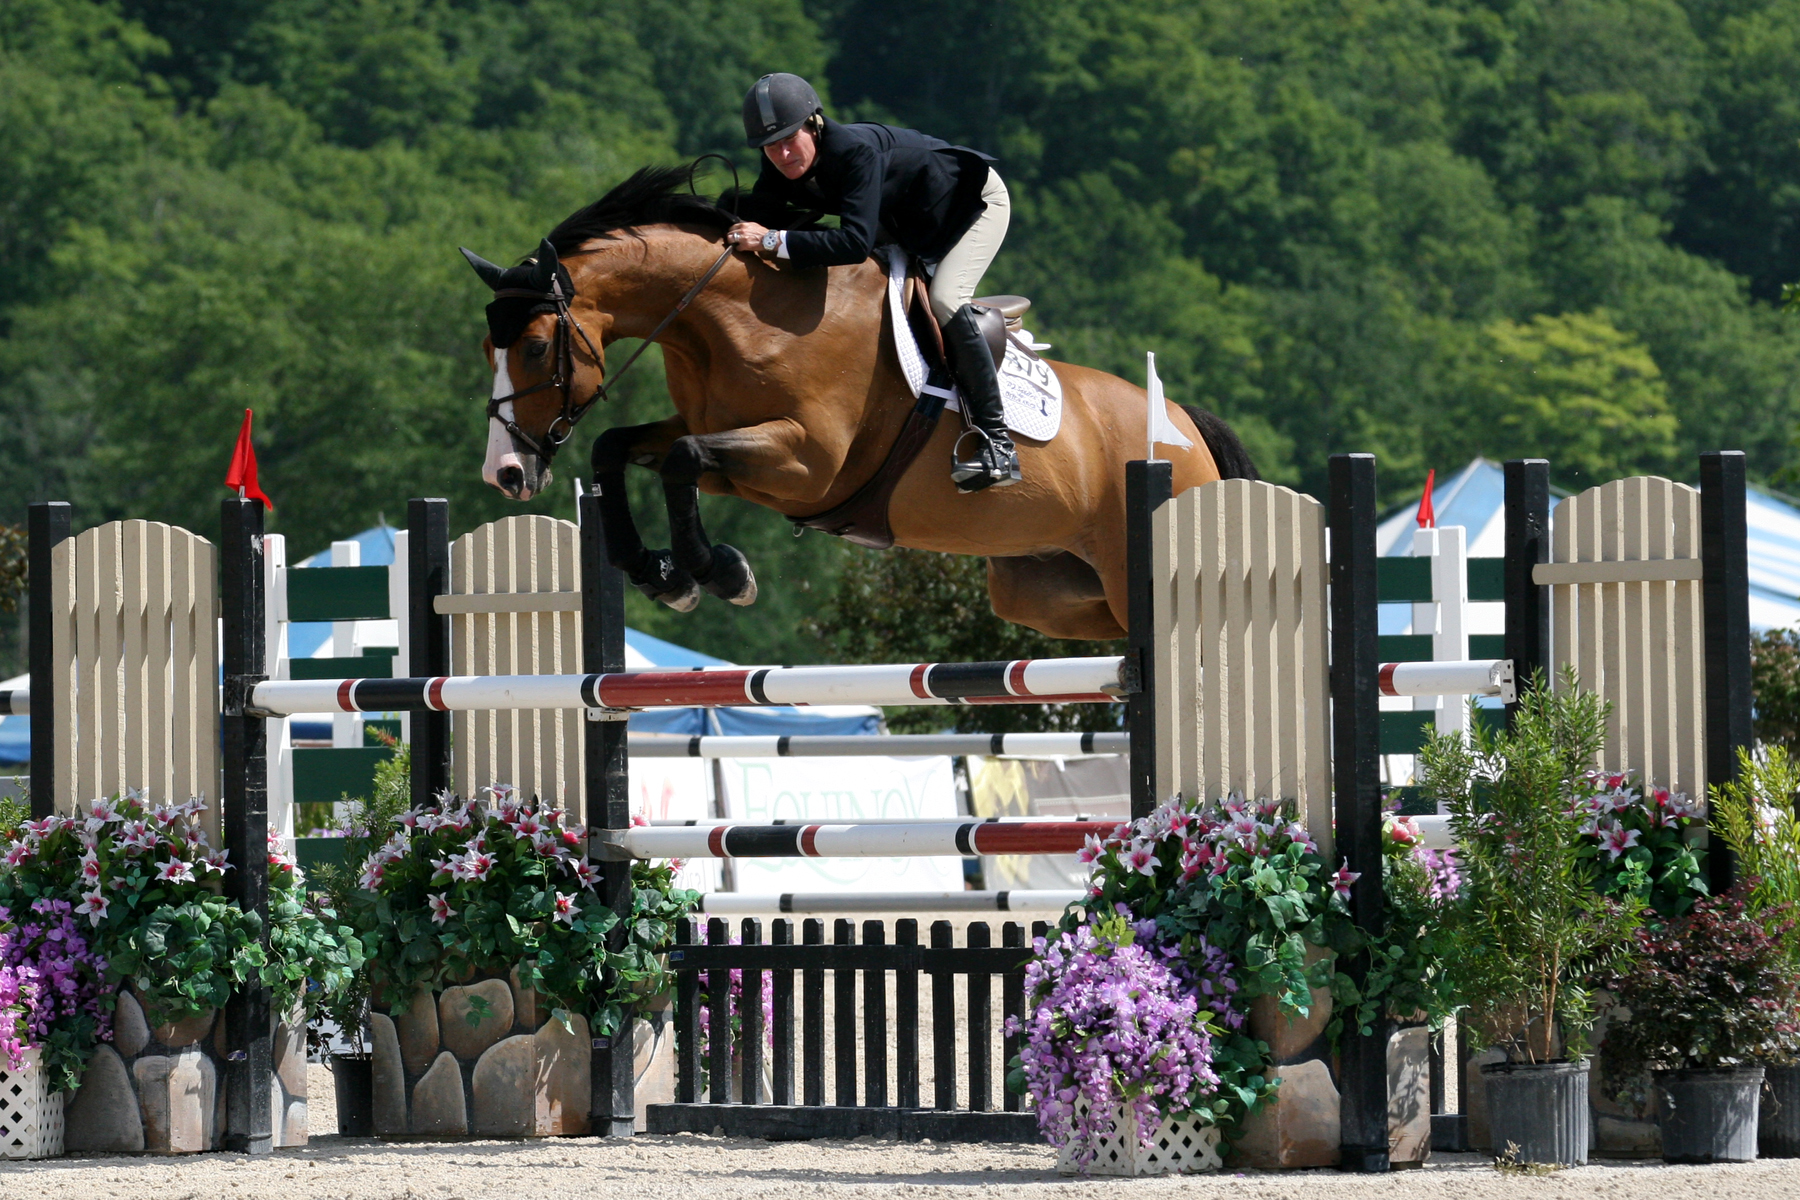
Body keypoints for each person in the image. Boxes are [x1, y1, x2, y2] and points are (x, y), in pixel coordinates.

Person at [725, 73, 1020, 492]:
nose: (783, 153)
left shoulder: (854, 153)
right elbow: (756, 212)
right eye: (771, 146)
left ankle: (999, 443)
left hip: (971, 206)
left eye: (791, 138)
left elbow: (851, 243)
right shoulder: (779, 164)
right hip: (905, 220)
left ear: (814, 124)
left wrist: (771, 240)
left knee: (946, 299)